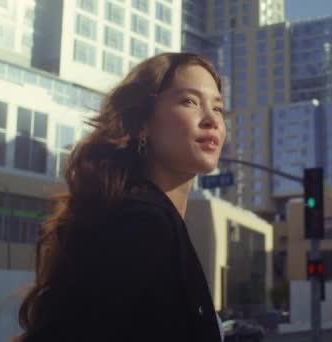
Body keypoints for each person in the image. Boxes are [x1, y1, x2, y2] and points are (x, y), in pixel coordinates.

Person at [15, 53, 227, 342]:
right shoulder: (141, 223)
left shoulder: (146, 218)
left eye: (218, 108)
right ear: (142, 124)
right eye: (189, 101)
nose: (212, 119)